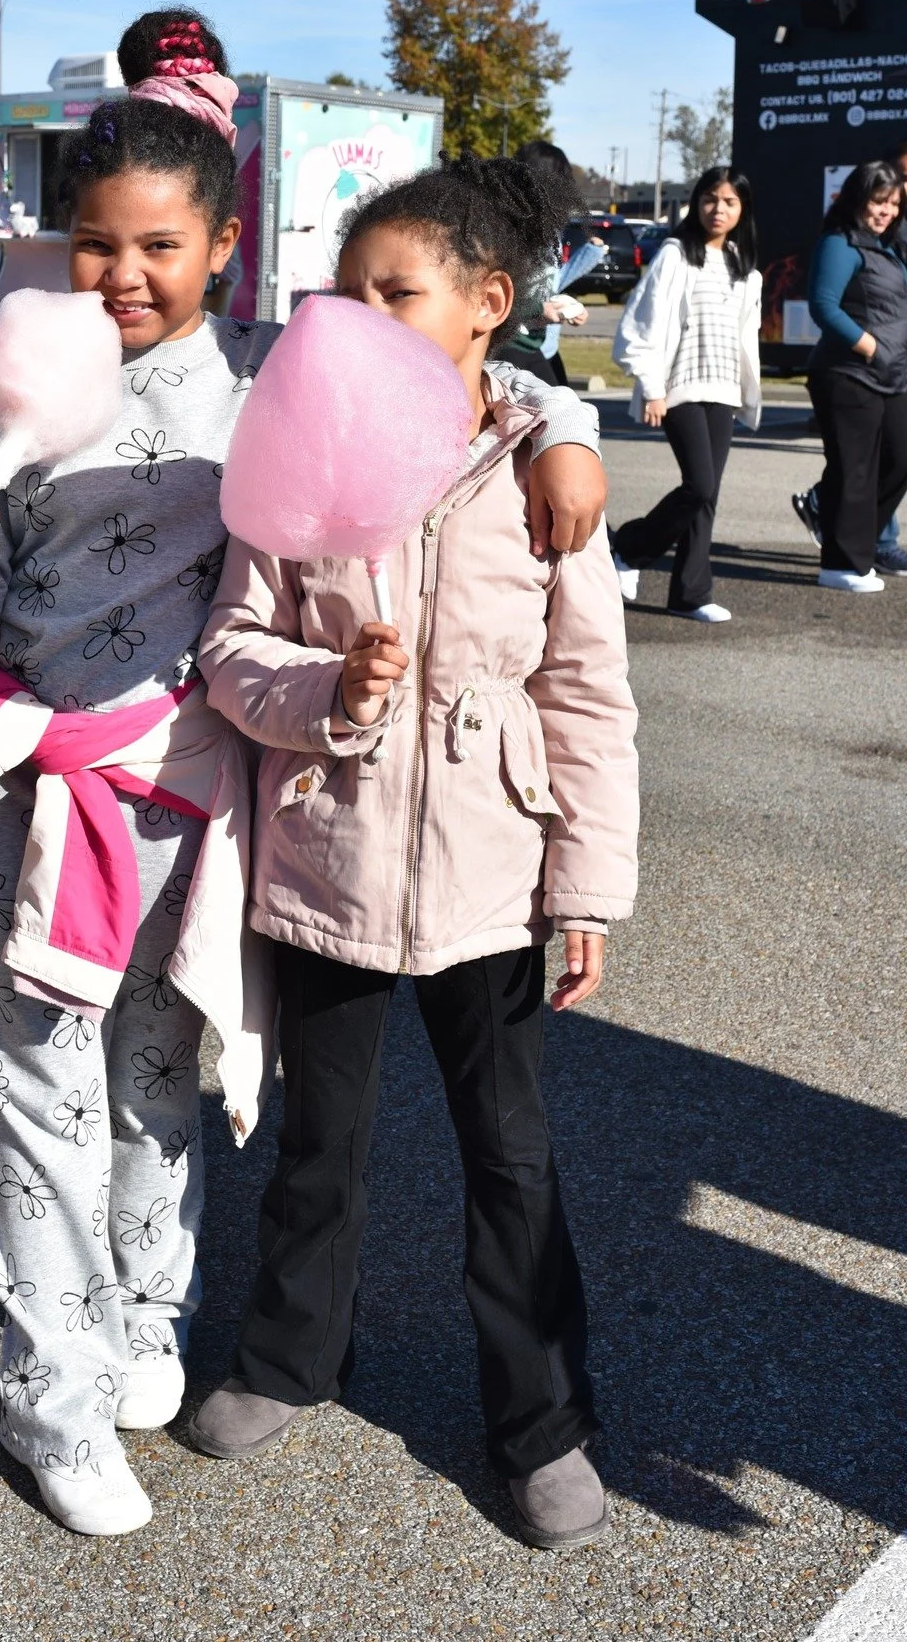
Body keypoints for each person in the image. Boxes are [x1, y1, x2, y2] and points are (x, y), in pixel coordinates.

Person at [0, 10, 611, 1539]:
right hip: (28, 795)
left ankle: (150, 1319)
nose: (122, 275)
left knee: (159, 1085)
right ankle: (55, 1397)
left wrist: (564, 432)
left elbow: (446, 374)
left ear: (222, 248)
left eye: (160, 246)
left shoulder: (268, 381)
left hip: (192, 806)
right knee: (44, 1103)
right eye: (94, 243)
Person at [186, 153, 640, 1554]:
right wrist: (326, 692)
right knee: (318, 1142)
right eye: (349, 294)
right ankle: (291, 1356)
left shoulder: (544, 476)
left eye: (400, 293)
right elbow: (230, 646)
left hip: (492, 874)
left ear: (487, 302)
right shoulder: (304, 451)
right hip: (329, 850)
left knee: (510, 1154)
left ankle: (543, 1422)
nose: (365, 318)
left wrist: (587, 889)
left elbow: (587, 694)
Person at [608, 165, 762, 622]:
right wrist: (652, 388)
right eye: (710, 199)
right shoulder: (675, 255)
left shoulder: (742, 265)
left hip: (723, 390)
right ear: (697, 203)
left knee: (707, 495)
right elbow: (641, 323)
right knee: (699, 484)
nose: (719, 209)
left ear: (743, 209)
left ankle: (691, 594)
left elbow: (743, 337)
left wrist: (746, 392)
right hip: (680, 390)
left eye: (730, 202)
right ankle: (628, 549)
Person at [792, 140, 907, 576]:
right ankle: (845, 560)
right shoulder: (839, 244)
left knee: (905, 456)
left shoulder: (891, 242)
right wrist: (871, 347)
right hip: (851, 372)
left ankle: (852, 536)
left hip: (895, 372)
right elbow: (824, 306)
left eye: (892, 204)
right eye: (879, 202)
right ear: (857, 199)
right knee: (856, 469)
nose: (887, 211)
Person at [494, 138, 590, 389]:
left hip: (533, 342)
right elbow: (492, 291)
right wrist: (539, 309)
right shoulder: (507, 230)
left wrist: (567, 306)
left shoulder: (547, 231)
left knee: (565, 406)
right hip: (505, 343)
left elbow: (542, 286)